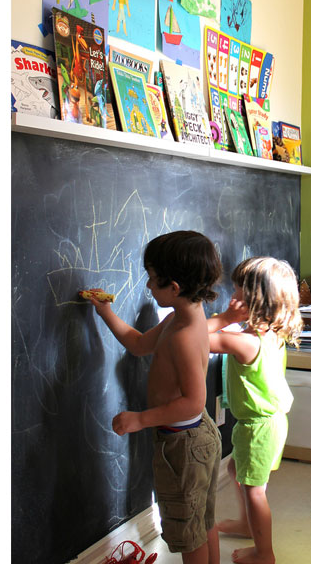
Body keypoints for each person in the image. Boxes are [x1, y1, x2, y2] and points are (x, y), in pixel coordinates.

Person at [89, 230, 223, 564]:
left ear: (173, 287)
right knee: (202, 523)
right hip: (193, 436)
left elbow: (193, 400)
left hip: (184, 444)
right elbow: (137, 344)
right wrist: (105, 313)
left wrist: (140, 419)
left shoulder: (183, 336)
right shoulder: (180, 319)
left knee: (189, 535)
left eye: (152, 280)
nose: (147, 287)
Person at [207, 257, 302, 564]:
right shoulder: (272, 333)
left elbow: (201, 340)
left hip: (258, 427)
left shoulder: (246, 342)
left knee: (254, 491)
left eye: (235, 292)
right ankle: (247, 525)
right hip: (269, 422)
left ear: (252, 301)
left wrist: (221, 318)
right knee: (237, 470)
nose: (230, 297)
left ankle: (265, 553)